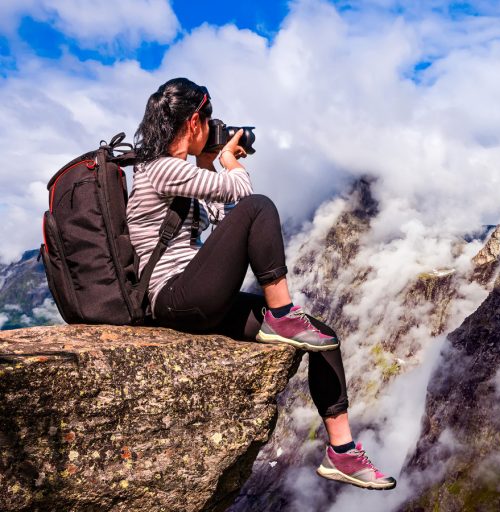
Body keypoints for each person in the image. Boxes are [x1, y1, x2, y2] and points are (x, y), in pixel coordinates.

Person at [126, 77, 395, 491]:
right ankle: (282, 313)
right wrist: (230, 163)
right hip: (173, 298)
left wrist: (207, 162)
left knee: (322, 336)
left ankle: (342, 453)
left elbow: (221, 224)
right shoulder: (159, 168)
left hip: (195, 295)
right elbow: (241, 195)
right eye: (209, 119)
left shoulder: (179, 173)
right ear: (196, 120)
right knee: (259, 205)